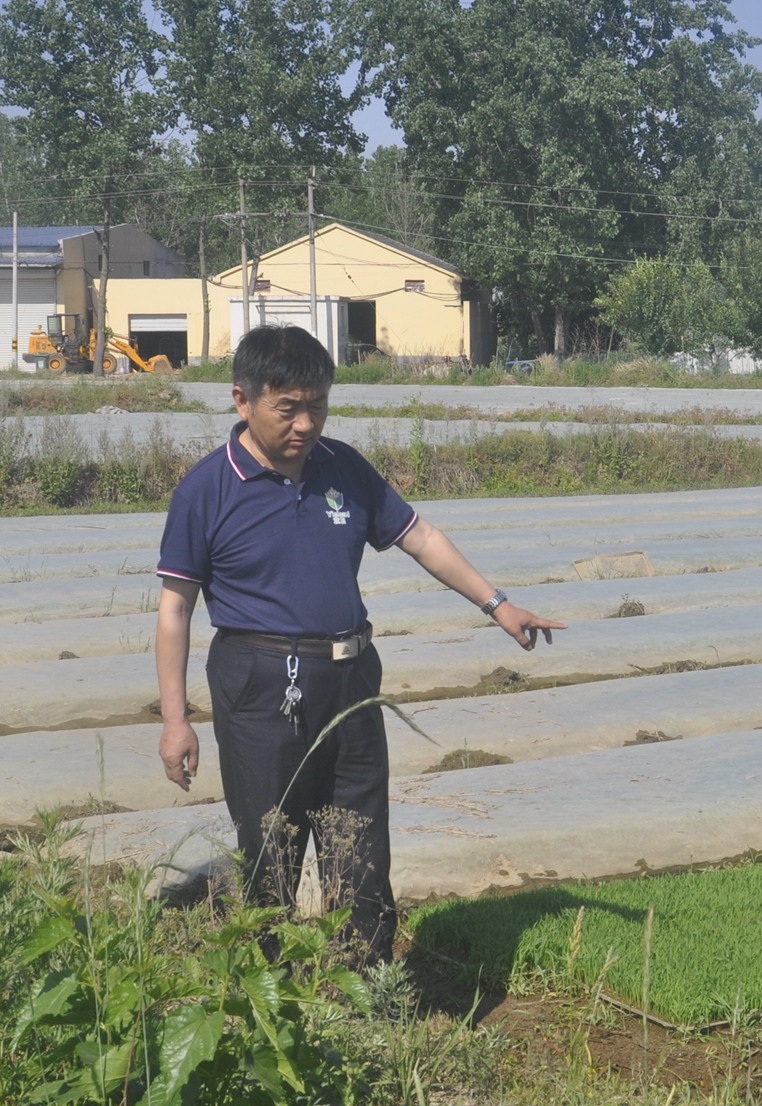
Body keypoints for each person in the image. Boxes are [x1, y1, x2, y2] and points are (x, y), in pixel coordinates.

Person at [154, 326, 564, 961]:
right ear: (243, 400)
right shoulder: (206, 490)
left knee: (361, 849)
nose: (305, 423)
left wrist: (497, 604)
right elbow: (175, 610)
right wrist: (176, 721)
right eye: (287, 408)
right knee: (272, 851)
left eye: (316, 405)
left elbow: (419, 535)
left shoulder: (343, 467)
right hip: (261, 685)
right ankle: (276, 1005)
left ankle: (365, 996)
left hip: (350, 681)